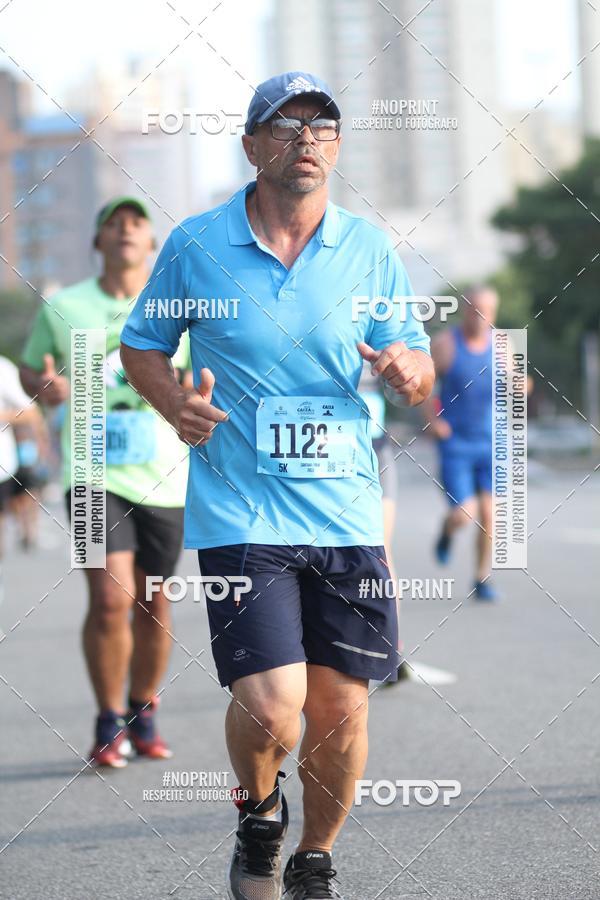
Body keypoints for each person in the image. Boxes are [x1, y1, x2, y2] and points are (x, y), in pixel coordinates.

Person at [120, 71, 434, 900]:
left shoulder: (369, 249)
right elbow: (141, 345)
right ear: (253, 145)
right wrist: (174, 402)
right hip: (240, 510)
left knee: (341, 710)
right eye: (286, 126)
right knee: (274, 705)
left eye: (322, 126)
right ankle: (260, 815)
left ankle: (314, 856)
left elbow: (414, 359)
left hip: (345, 512)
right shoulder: (196, 244)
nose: (306, 140)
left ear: (337, 146)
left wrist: (409, 371)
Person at [20, 198, 190, 767]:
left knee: (153, 602)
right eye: (112, 225)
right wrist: (43, 384)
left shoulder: (174, 308)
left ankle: (144, 711)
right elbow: (31, 365)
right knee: (110, 598)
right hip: (90, 473)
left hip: (163, 477)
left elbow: (197, 375)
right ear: (97, 243)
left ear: (150, 244)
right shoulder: (65, 305)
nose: (124, 232)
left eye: (136, 225)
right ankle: (107, 718)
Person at [421, 286, 498, 600]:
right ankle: (446, 531)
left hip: (491, 442)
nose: (480, 317)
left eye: (487, 311)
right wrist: (433, 420)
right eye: (474, 309)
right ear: (465, 310)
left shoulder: (503, 346)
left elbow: (523, 382)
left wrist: (523, 384)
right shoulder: (445, 344)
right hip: (456, 443)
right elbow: (426, 384)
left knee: (490, 515)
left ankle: (482, 580)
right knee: (464, 514)